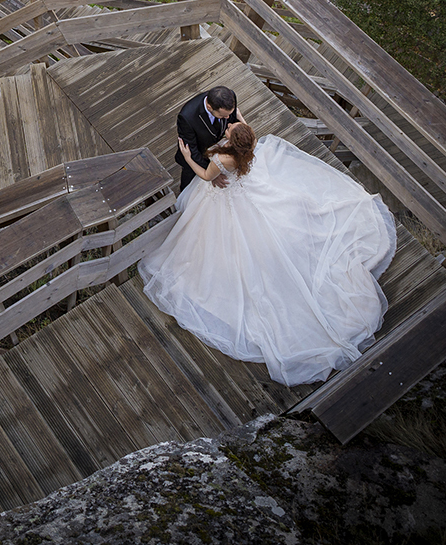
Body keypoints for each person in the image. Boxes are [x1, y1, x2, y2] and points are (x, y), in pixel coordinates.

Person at [141, 122, 397, 386]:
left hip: (224, 201)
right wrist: (237, 120)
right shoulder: (246, 147)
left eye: (230, 129)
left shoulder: (223, 158)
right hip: (242, 192)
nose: (228, 127)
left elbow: (207, 177)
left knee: (228, 248)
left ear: (234, 140)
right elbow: (239, 125)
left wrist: (186, 157)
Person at [174, 85, 242, 192]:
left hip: (219, 149)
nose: (228, 118)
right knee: (187, 186)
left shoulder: (231, 97)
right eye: (223, 116)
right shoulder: (187, 117)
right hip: (197, 154)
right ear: (209, 107)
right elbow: (191, 149)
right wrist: (212, 173)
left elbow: (232, 120)